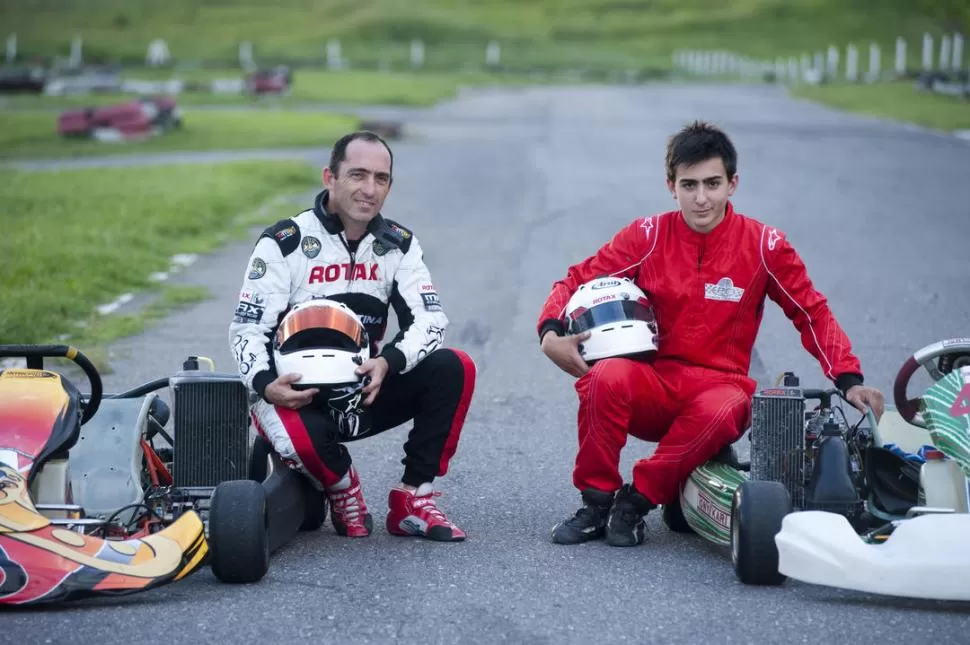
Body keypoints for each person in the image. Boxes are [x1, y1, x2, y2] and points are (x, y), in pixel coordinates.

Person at [536, 120, 885, 547]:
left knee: (723, 408)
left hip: (721, 388)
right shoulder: (647, 236)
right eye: (689, 185)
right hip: (655, 381)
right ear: (671, 186)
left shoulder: (764, 245)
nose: (701, 198)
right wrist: (550, 332)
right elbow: (575, 280)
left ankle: (637, 501)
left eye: (712, 183)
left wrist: (848, 378)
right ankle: (596, 503)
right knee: (605, 377)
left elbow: (811, 311)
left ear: (733, 184)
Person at [229, 130, 477, 542]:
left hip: (363, 389)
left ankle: (414, 499)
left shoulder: (398, 245)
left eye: (381, 179)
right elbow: (248, 328)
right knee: (290, 427)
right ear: (330, 177)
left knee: (454, 367)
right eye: (358, 175)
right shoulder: (284, 243)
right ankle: (342, 485)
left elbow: (431, 320)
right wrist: (264, 385)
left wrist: (387, 362)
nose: (369, 189)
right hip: (294, 395)